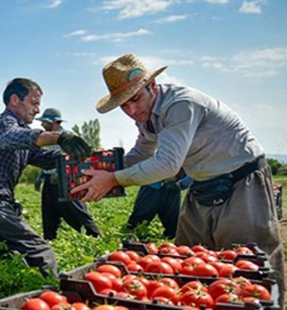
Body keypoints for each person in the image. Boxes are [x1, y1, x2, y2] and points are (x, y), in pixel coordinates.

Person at [74, 53, 284, 303]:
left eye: (135, 99)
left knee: (250, 263)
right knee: (188, 261)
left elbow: (167, 165)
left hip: (242, 181)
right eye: (124, 105)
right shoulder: (147, 116)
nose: (131, 110)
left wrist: (114, 179)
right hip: (202, 185)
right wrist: (104, 174)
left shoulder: (180, 105)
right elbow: (142, 152)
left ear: (152, 86)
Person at [0, 78, 91, 277]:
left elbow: (42, 157)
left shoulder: (20, 132)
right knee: (42, 253)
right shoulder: (4, 125)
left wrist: (76, 156)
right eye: (34, 103)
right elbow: (14, 137)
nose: (37, 110)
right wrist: (59, 137)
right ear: (15, 100)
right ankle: (53, 297)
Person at [34, 108, 100, 240]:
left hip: (67, 180)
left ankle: (94, 237)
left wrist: (61, 171)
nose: (42, 125)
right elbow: (45, 158)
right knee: (49, 212)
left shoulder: (67, 138)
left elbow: (78, 158)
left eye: (45, 122)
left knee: (75, 211)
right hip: (49, 180)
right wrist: (41, 174)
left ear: (54, 122)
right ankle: (50, 241)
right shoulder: (46, 137)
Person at [126, 171, 192, 238]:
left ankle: (171, 236)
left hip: (173, 186)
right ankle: (131, 235)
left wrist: (182, 183)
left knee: (173, 221)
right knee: (141, 216)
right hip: (153, 184)